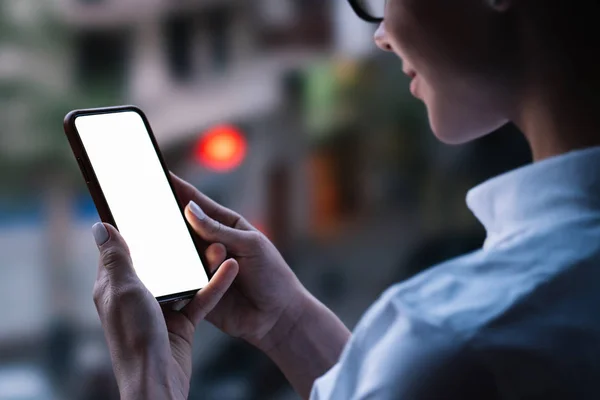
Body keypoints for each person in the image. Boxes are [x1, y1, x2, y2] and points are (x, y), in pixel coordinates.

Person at [90, 0, 600, 398]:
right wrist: (286, 322)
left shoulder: (459, 334)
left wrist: (147, 377)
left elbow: (450, 364)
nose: (379, 35)